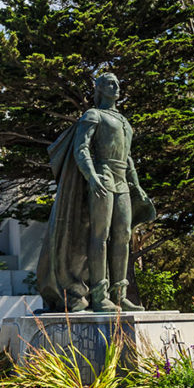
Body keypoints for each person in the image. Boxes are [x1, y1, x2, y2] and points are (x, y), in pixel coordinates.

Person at [36, 72, 155, 313]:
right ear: (99, 88)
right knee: (99, 236)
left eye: (118, 82)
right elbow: (82, 149)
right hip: (102, 176)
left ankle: (119, 295)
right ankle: (100, 296)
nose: (117, 86)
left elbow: (128, 158)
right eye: (111, 83)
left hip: (121, 181)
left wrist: (137, 185)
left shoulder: (123, 121)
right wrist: (91, 176)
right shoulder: (93, 115)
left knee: (122, 236)